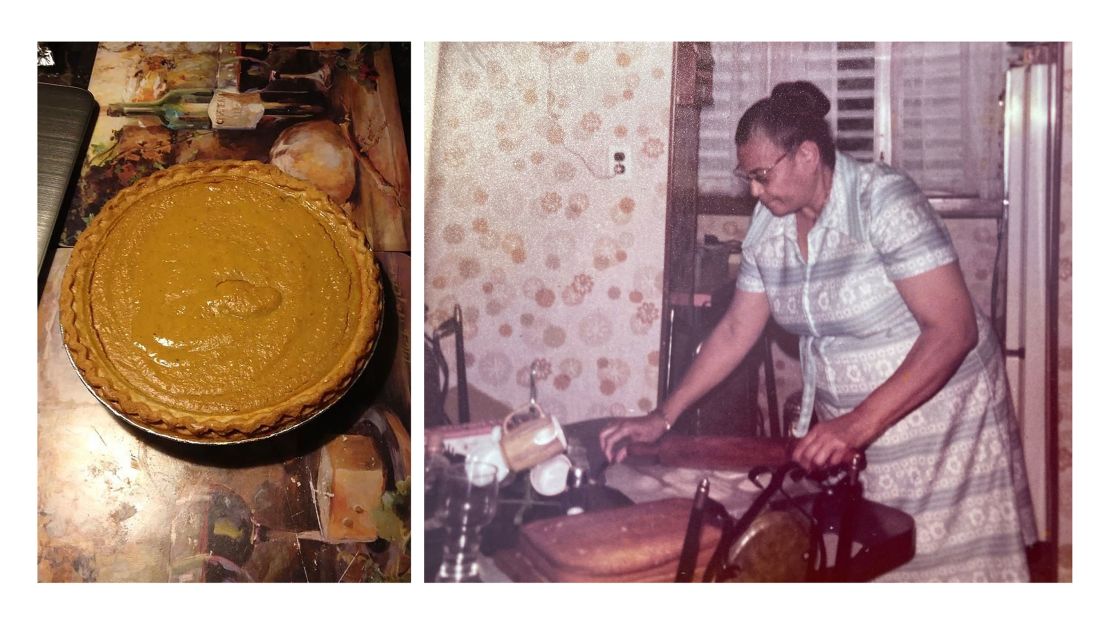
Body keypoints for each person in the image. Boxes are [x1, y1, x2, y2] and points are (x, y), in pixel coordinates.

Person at [599, 81, 1037, 582]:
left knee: (948, 565)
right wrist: (664, 414)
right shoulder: (771, 222)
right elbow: (738, 328)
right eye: (748, 177)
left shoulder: (883, 201)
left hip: (940, 417)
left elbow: (953, 330)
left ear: (807, 155)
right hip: (853, 425)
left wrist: (855, 425)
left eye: (762, 175)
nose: (754, 192)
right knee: (870, 561)